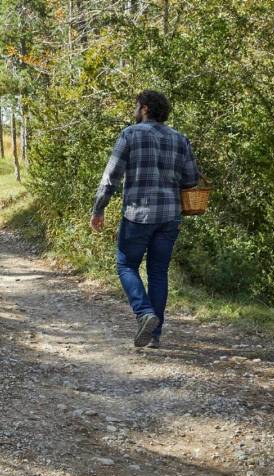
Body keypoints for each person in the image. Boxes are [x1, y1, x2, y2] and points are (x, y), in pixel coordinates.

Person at [90, 90, 198, 349]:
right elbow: (191, 179)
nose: (134, 110)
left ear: (146, 108)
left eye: (136, 105)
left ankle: (143, 313)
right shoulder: (179, 139)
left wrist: (98, 208)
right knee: (158, 272)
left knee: (126, 266)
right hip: (170, 216)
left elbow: (111, 177)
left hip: (138, 214)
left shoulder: (130, 134)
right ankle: (155, 335)